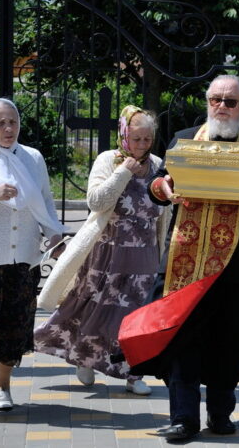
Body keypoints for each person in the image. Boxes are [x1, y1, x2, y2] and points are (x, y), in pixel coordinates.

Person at [119, 75, 239, 443]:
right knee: (183, 341)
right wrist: (162, 188)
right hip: (186, 262)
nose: (222, 107)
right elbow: (160, 185)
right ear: (207, 102)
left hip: (237, 268)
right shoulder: (183, 137)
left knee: (229, 341)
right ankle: (183, 418)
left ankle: (221, 414)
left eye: (230, 102)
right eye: (216, 100)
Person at [34, 105, 171, 396]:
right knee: (93, 309)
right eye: (137, 139)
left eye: (147, 139)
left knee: (136, 316)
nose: (142, 146)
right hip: (107, 253)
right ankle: (83, 357)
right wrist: (123, 172)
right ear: (124, 135)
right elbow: (96, 201)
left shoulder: (158, 164)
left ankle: (134, 375)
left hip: (144, 254)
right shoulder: (109, 160)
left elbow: (164, 209)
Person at [0, 98, 65, 425]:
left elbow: (44, 203)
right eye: (0, 123)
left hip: (23, 260)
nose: (8, 129)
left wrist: (56, 240)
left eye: (12, 121)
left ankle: (3, 387)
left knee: (14, 327)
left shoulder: (32, 158)